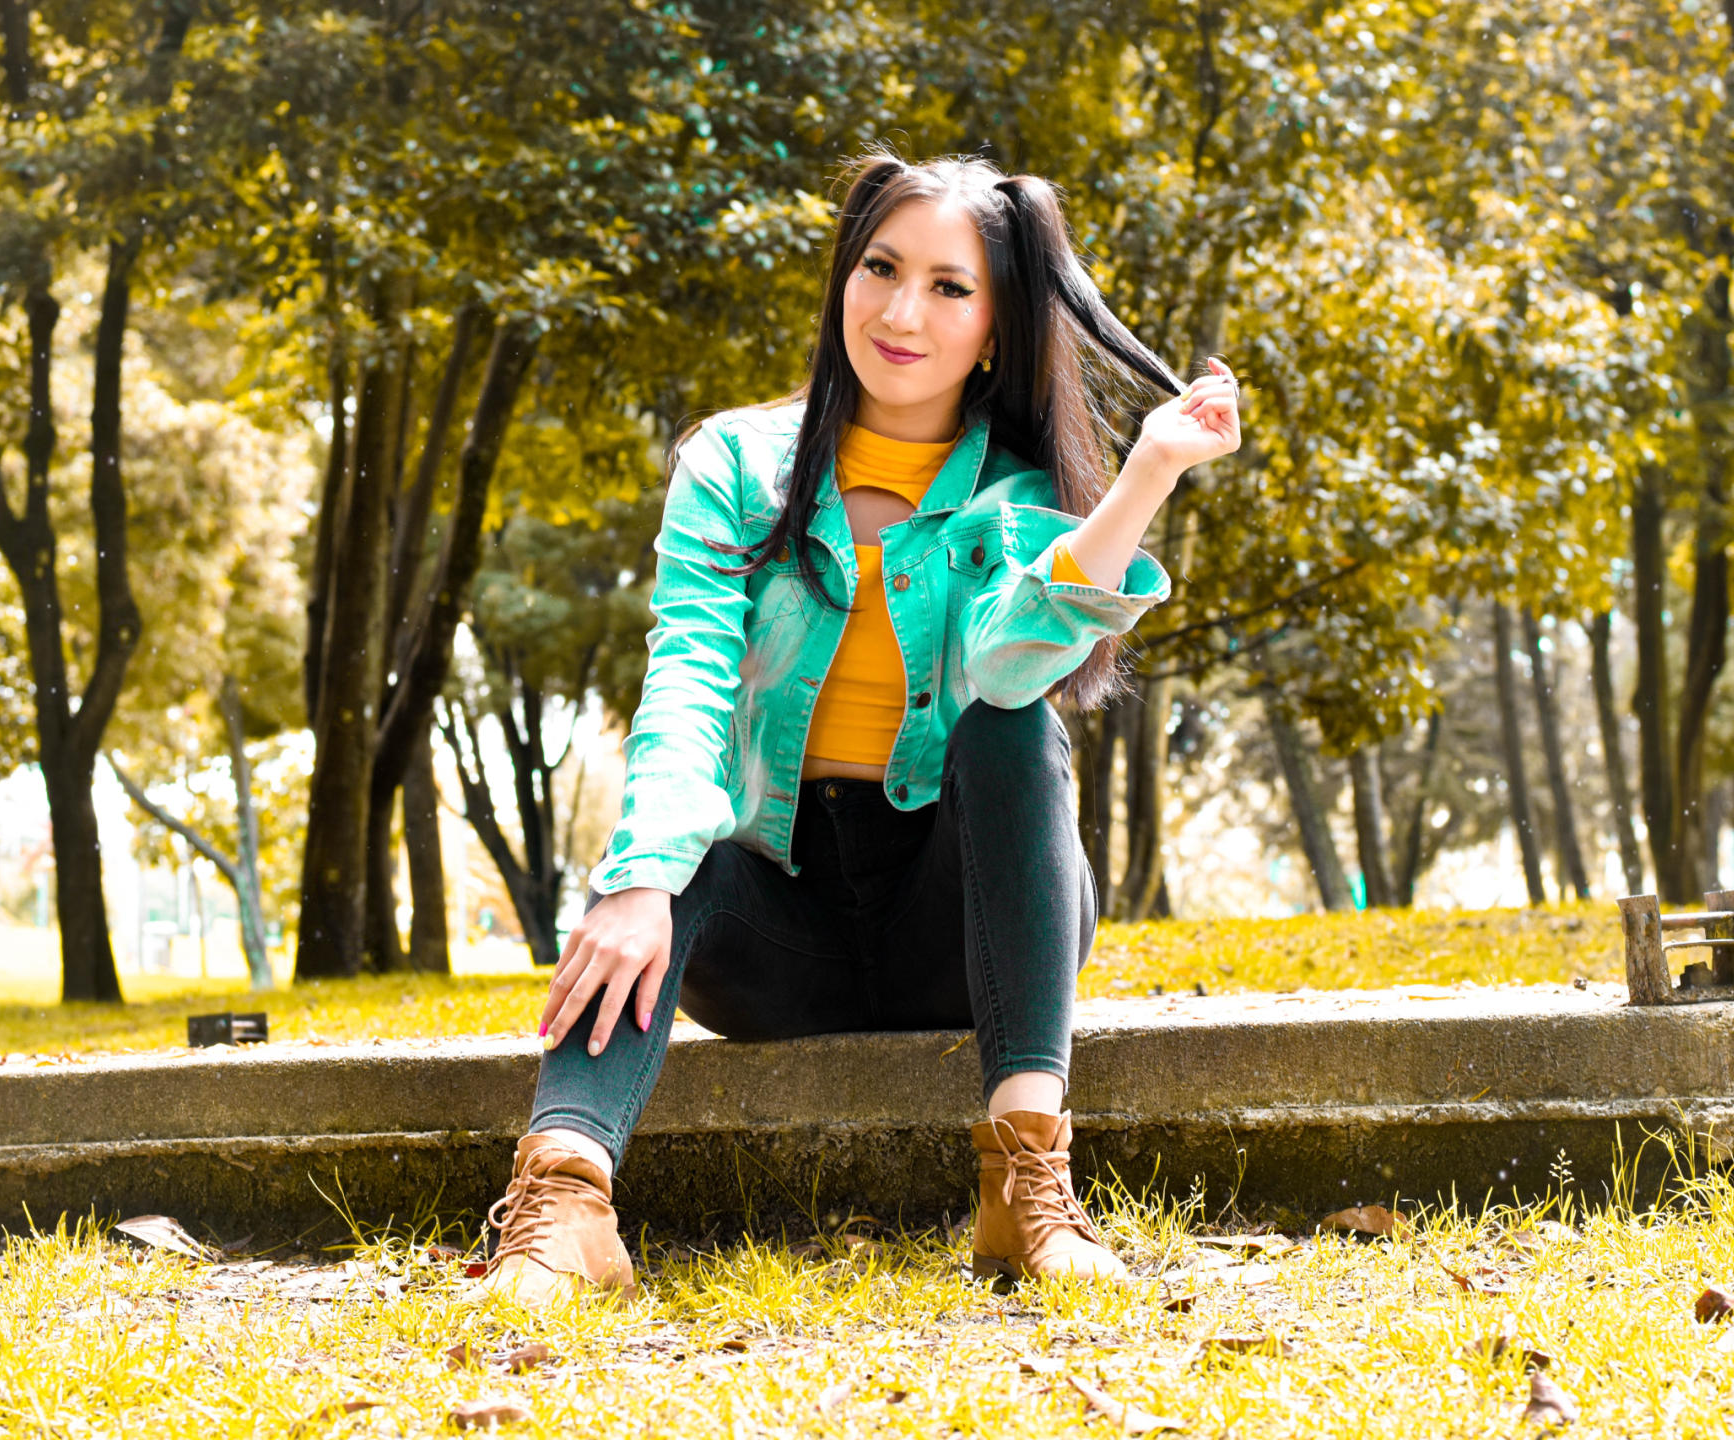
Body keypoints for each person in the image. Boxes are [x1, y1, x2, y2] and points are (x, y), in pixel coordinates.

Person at [475, 149, 1242, 1305]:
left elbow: (1010, 660)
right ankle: (563, 1208)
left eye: (949, 286)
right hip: (775, 939)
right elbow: (686, 676)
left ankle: (1028, 1189)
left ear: (997, 326)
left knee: (1010, 721)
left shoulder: (1019, 494)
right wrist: (638, 880)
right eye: (880, 268)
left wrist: (1148, 476)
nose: (900, 312)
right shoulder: (735, 463)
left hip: (961, 928)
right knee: (667, 856)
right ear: (843, 277)